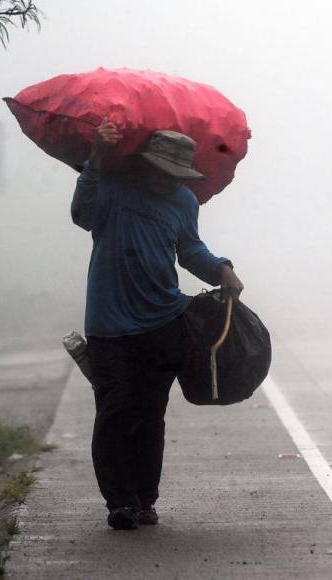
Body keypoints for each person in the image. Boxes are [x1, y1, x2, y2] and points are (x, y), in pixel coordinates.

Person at [71, 119, 244, 530]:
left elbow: (190, 249)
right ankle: (119, 501)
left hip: (164, 321)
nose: (170, 182)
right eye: (164, 172)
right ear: (147, 165)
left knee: (150, 415)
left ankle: (145, 500)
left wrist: (221, 268)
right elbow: (82, 214)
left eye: (177, 175)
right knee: (114, 412)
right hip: (109, 325)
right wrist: (95, 157)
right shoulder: (113, 188)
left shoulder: (183, 202)